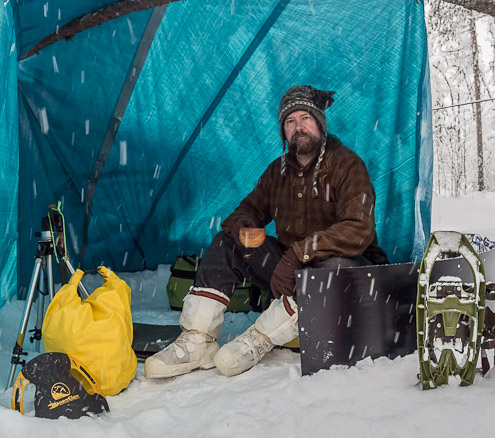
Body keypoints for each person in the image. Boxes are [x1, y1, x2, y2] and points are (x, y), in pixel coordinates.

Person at [145, 85, 388, 379]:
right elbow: (243, 212)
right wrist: (244, 228)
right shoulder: (278, 171)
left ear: (320, 125)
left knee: (329, 270)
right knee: (227, 243)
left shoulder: (347, 165)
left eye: (305, 118)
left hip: (347, 271)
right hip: (291, 269)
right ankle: (199, 340)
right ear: (283, 132)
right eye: (290, 121)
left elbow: (358, 230)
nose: (299, 127)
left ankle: (259, 338)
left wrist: (298, 255)